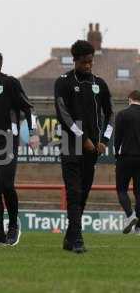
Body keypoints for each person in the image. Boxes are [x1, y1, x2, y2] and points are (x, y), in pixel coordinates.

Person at [54, 40, 114, 253]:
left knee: (84, 193)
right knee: (74, 192)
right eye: (83, 62)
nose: (88, 66)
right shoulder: (63, 82)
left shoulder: (100, 84)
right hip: (72, 146)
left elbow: (110, 115)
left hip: (91, 151)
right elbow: (64, 115)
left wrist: (104, 141)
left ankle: (70, 237)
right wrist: (83, 138)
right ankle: (78, 239)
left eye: (90, 61)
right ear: (75, 60)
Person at [0, 50, 39, 246]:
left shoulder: (10, 82)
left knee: (6, 185)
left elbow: (28, 107)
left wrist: (33, 132)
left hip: (6, 142)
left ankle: (13, 226)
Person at [114, 90, 140, 234]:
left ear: (130, 99)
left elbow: (117, 138)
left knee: (122, 189)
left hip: (126, 157)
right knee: (139, 192)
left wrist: (116, 153)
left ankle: (130, 215)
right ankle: (138, 227)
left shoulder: (122, 114)